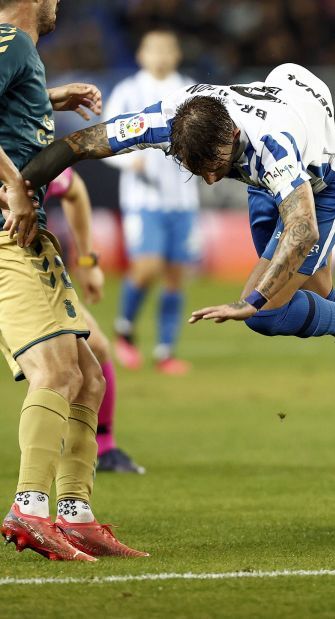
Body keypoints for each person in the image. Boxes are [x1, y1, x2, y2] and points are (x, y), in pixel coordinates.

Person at [23, 64, 335, 444]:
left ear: (233, 133)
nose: (211, 180)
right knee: (315, 292)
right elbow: (83, 142)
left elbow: (302, 229)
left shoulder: (273, 146)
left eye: (217, 165)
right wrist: (21, 185)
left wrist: (249, 302)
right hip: (267, 186)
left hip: (326, 183)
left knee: (269, 311)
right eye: (197, 170)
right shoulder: (168, 120)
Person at [0, 0, 145, 561]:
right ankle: (29, 510)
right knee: (56, 368)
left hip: (27, 235)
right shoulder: (10, 40)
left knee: (88, 372)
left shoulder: (20, 54)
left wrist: (49, 97)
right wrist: (15, 187)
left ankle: (74, 513)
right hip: (7, 231)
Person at [103, 29, 200, 375]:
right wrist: (131, 161)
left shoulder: (190, 89)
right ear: (141, 55)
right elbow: (105, 140)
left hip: (184, 200)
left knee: (175, 275)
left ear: (176, 55)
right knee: (147, 268)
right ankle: (125, 331)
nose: (159, 56)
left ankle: (165, 352)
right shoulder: (128, 91)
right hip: (144, 199)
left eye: (166, 49)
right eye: (152, 49)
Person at [45, 168, 145, 473]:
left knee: (96, 349)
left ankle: (103, 449)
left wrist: (87, 262)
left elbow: (74, 190)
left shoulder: (33, 151)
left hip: (34, 272)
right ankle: (32, 496)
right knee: (52, 371)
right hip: (15, 274)